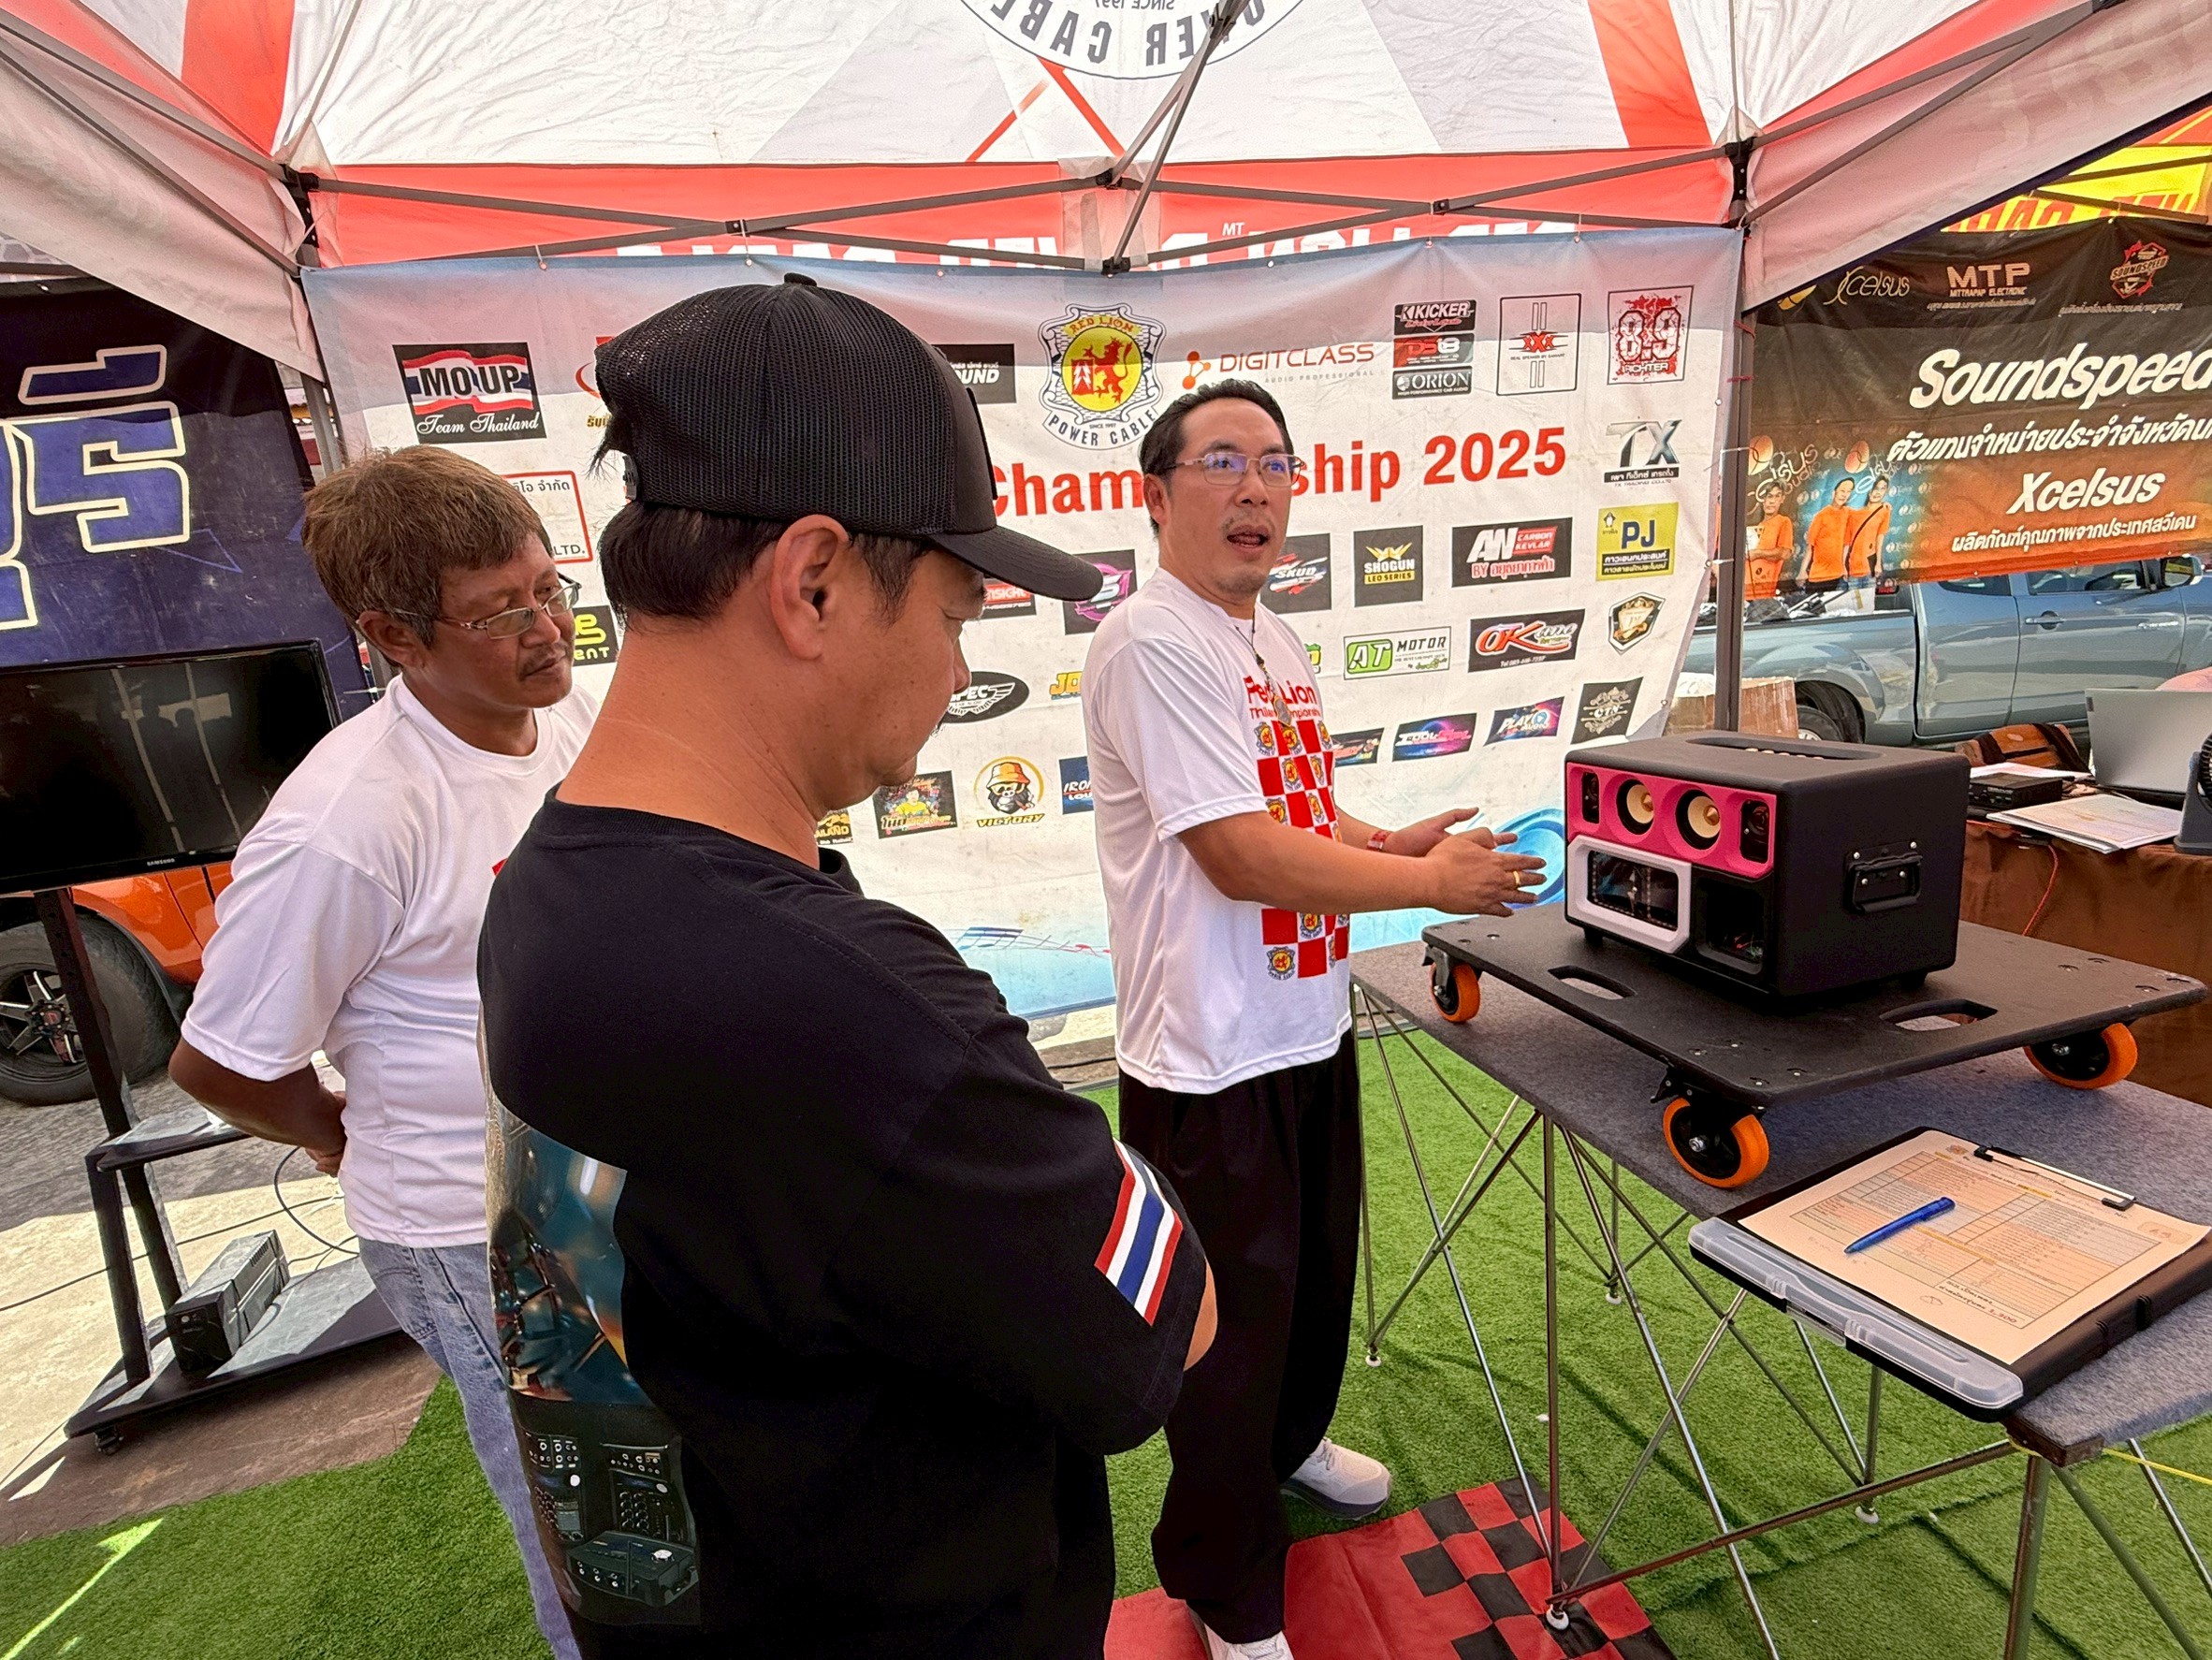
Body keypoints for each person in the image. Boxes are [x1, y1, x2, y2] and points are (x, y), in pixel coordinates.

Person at [477, 274, 1217, 1659]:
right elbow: (1166, 1326)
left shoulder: (546, 884)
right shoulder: (843, 1004)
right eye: (956, 612)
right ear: (812, 582)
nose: (956, 669)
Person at [1082, 379, 1544, 1660]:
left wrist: (1388, 841)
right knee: (1227, 1336)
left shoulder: (1269, 636)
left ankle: (1288, 1449)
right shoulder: (1151, 640)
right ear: (1156, 492)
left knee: (1312, 1286)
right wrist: (1427, 885)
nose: (1257, 487)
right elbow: (1236, 852)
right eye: (1223, 461)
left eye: (1277, 462)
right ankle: (1226, 1588)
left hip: (1302, 1022)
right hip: (1207, 1054)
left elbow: (1289, 806)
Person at [169, 444, 596, 1660]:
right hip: (473, 1224)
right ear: (393, 635)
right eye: (498, 612)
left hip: (599, 1179)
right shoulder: (345, 820)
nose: (546, 628)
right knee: (584, 1521)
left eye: (548, 588)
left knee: (658, 1483)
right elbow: (217, 1061)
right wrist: (336, 1131)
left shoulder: (571, 711)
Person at [1799, 474, 1858, 590]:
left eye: (1848, 492)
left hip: (1838, 576)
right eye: (1842, 491)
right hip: (1818, 576)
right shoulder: (1821, 516)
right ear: (1834, 493)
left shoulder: (1848, 513)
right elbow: (1810, 547)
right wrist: (1802, 571)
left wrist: (1883, 506)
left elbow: (1866, 514)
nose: (1844, 495)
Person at [1746, 480, 1793, 600]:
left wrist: (1758, 553)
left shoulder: (1783, 521)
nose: (1772, 501)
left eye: (1777, 496)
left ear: (1782, 499)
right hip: (1745, 589)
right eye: (1769, 496)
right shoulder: (1757, 527)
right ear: (1763, 500)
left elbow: (1785, 553)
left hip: (1763, 593)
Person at [1844, 473, 1892, 580]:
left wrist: (1878, 563)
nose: (1878, 492)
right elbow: (1847, 542)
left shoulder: (1884, 511)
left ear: (1885, 492)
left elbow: (1880, 538)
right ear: (1869, 491)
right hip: (1853, 567)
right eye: (1876, 488)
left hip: (1870, 567)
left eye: (1882, 489)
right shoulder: (1854, 513)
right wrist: (1843, 566)